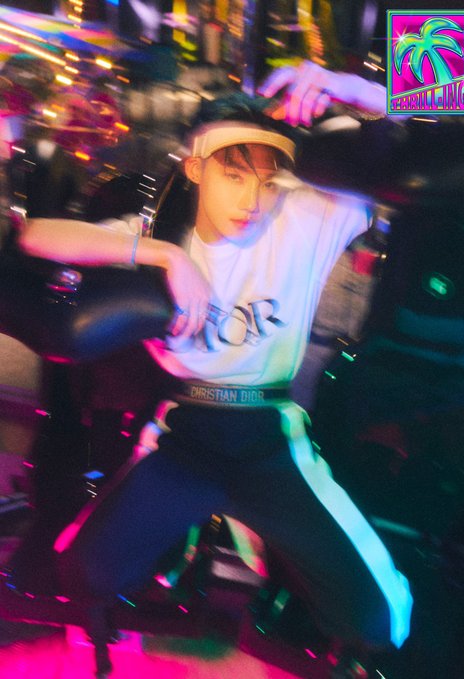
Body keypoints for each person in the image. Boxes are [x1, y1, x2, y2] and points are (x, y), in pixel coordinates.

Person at [17, 62, 412, 678]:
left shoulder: (303, 214)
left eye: (266, 179)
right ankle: (117, 632)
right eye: (233, 175)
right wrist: (160, 254)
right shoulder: (157, 230)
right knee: (85, 569)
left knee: (379, 617)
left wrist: (354, 89)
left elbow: (433, 124)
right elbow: (35, 236)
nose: (251, 200)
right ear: (196, 167)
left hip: (269, 441)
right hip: (185, 439)